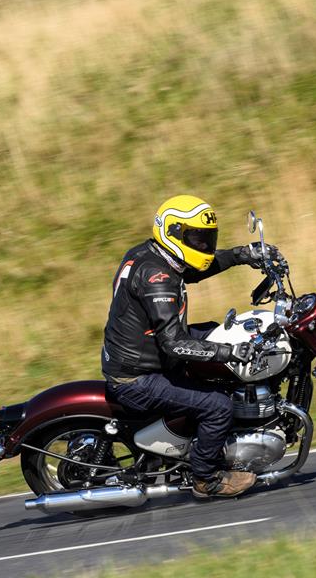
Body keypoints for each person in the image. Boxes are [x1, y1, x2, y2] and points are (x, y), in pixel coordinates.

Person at [101, 195, 281, 498]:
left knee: (218, 332)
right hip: (138, 375)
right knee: (218, 406)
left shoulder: (152, 255)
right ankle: (205, 478)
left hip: (142, 353)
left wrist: (242, 254)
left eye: (207, 238)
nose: (203, 246)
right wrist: (230, 353)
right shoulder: (156, 277)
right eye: (196, 238)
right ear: (172, 232)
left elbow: (197, 270)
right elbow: (172, 343)